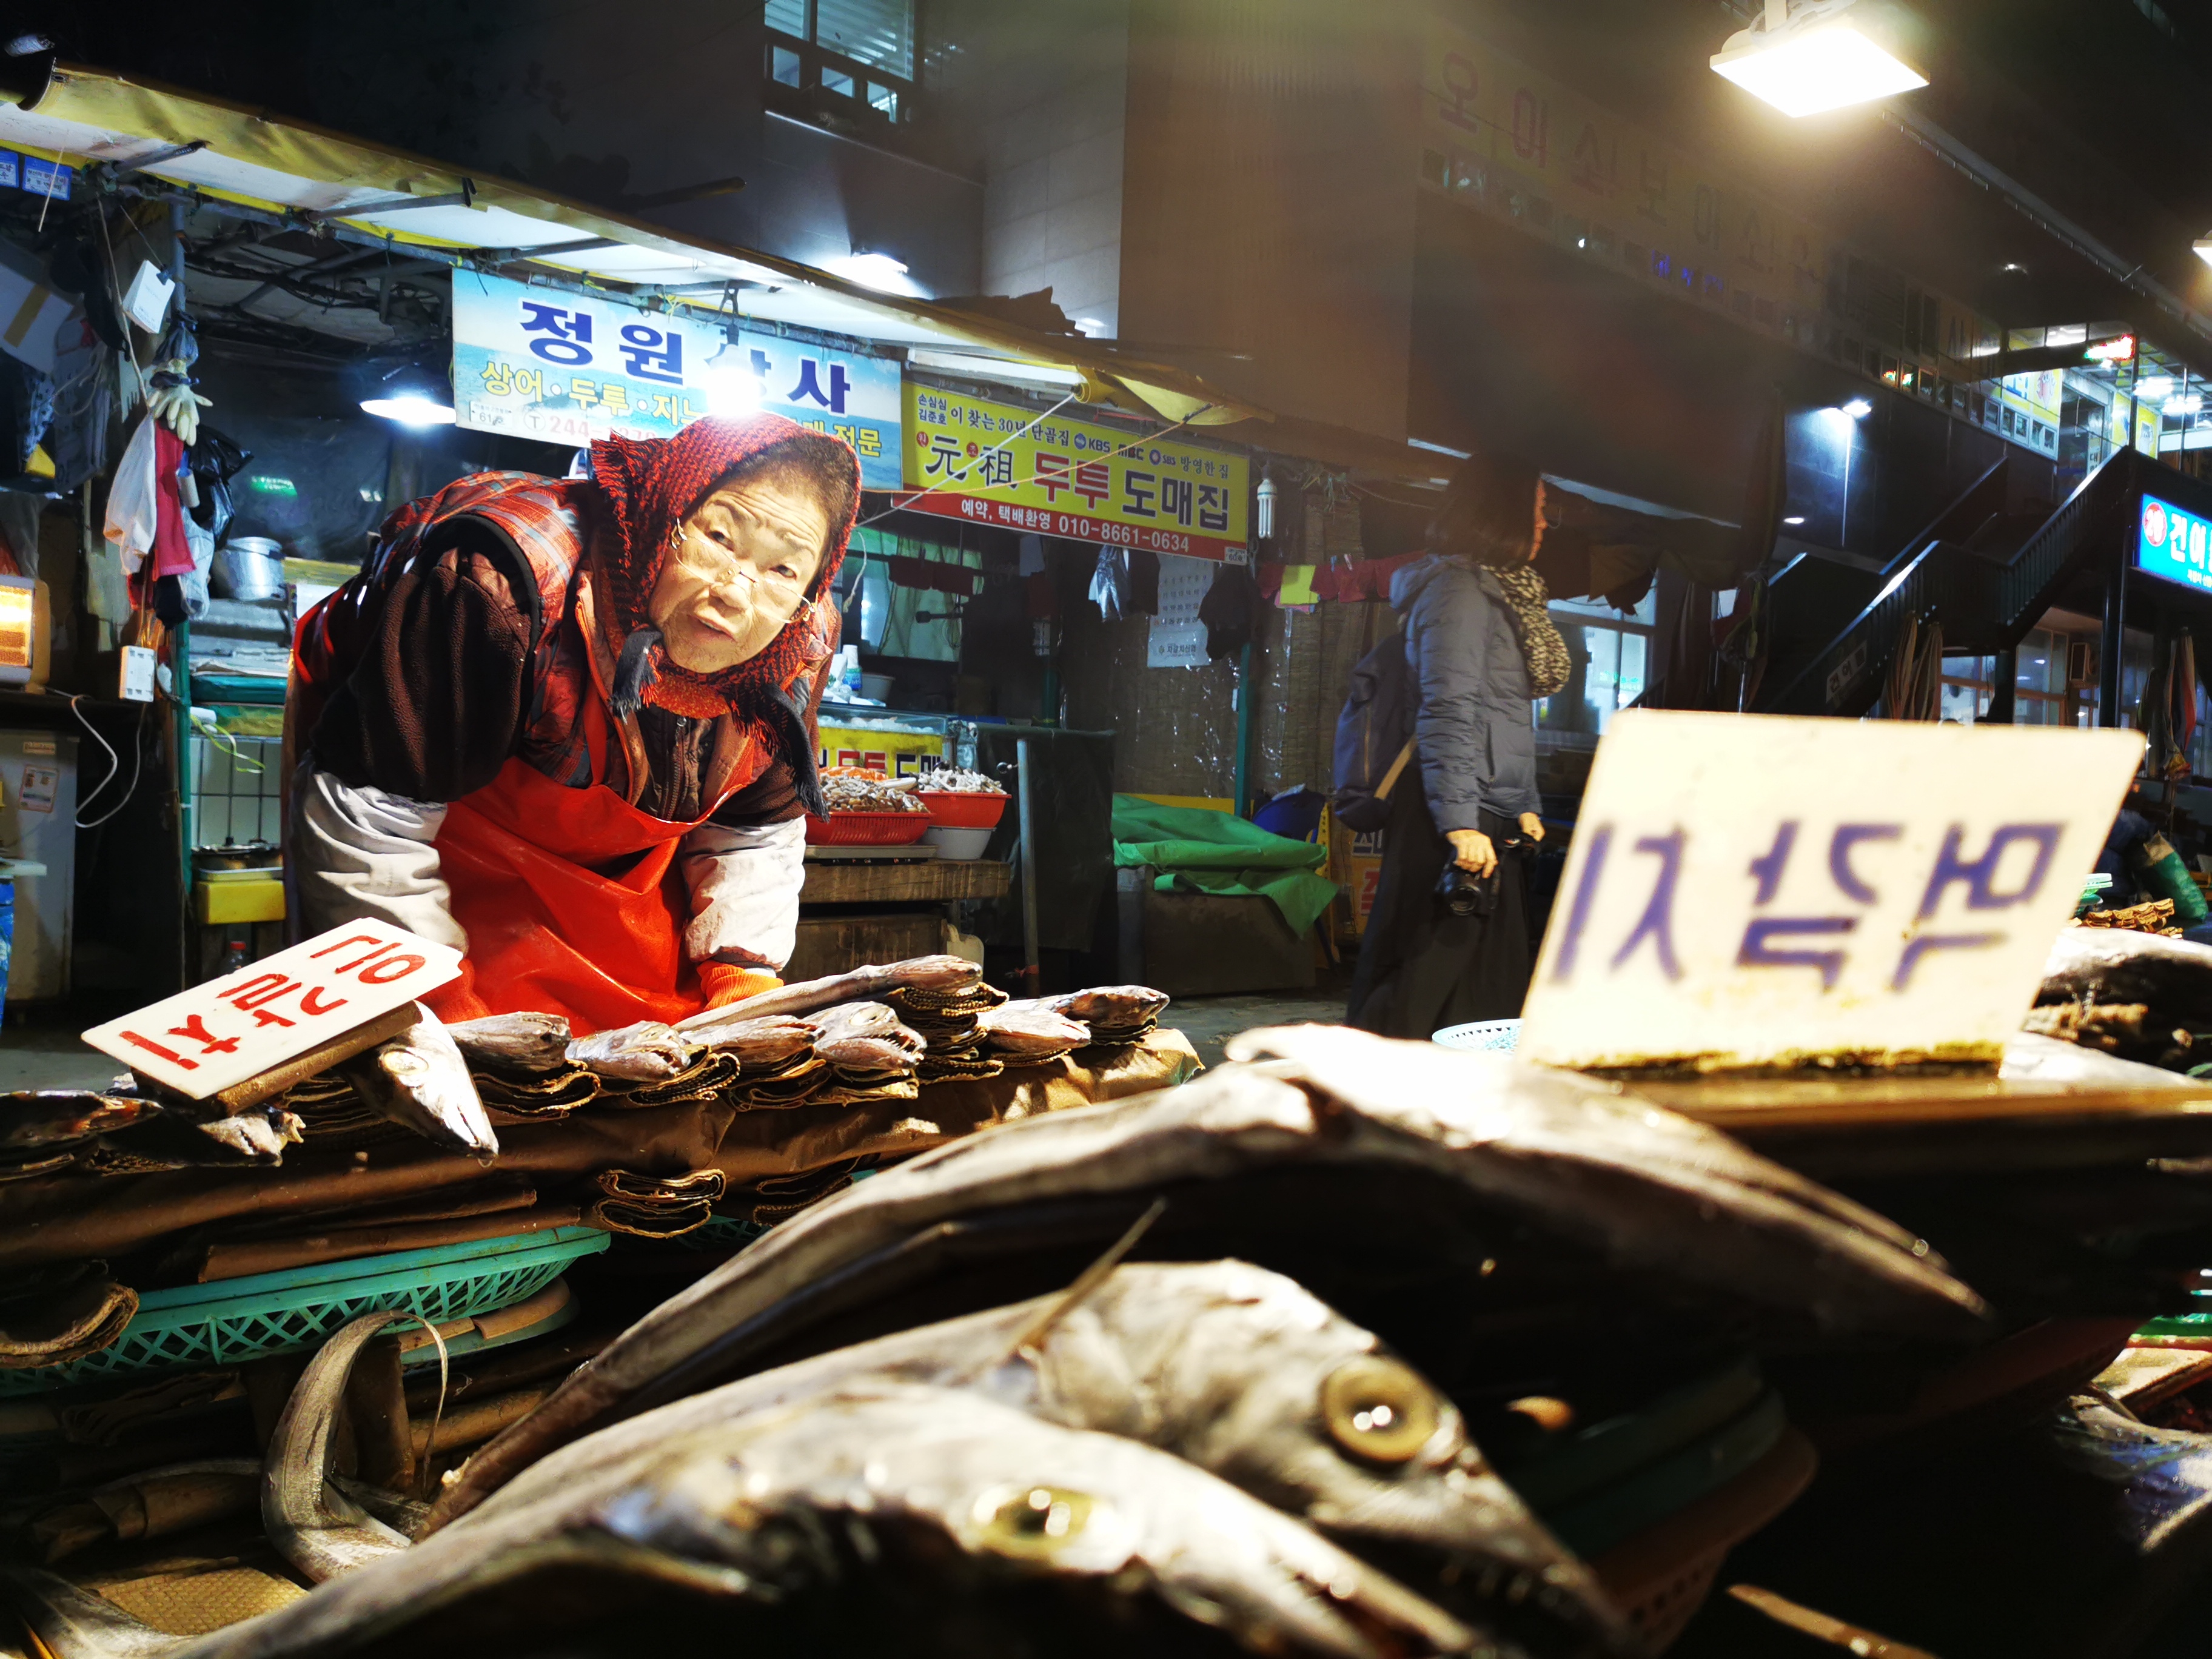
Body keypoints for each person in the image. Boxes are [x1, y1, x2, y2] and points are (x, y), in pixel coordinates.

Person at [287, 412, 858, 1033]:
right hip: (424, 823)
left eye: (782, 571)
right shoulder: (495, 589)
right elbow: (373, 817)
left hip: (610, 877)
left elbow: (753, 829)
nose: (738, 594)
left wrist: (742, 979)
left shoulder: (795, 644)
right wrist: (432, 1007)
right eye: (719, 537)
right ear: (664, 514)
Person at [1346, 453, 1570, 1039]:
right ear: (1502, 511)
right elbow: (1448, 708)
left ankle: (1461, 1116)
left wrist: (1523, 804)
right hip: (1453, 818)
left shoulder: (1508, 597)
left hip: (1490, 813)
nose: (1546, 523)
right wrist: (1459, 823)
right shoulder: (1459, 592)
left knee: (1485, 985)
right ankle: (1372, 1107)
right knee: (1425, 979)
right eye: (1540, 509)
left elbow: (1503, 715)